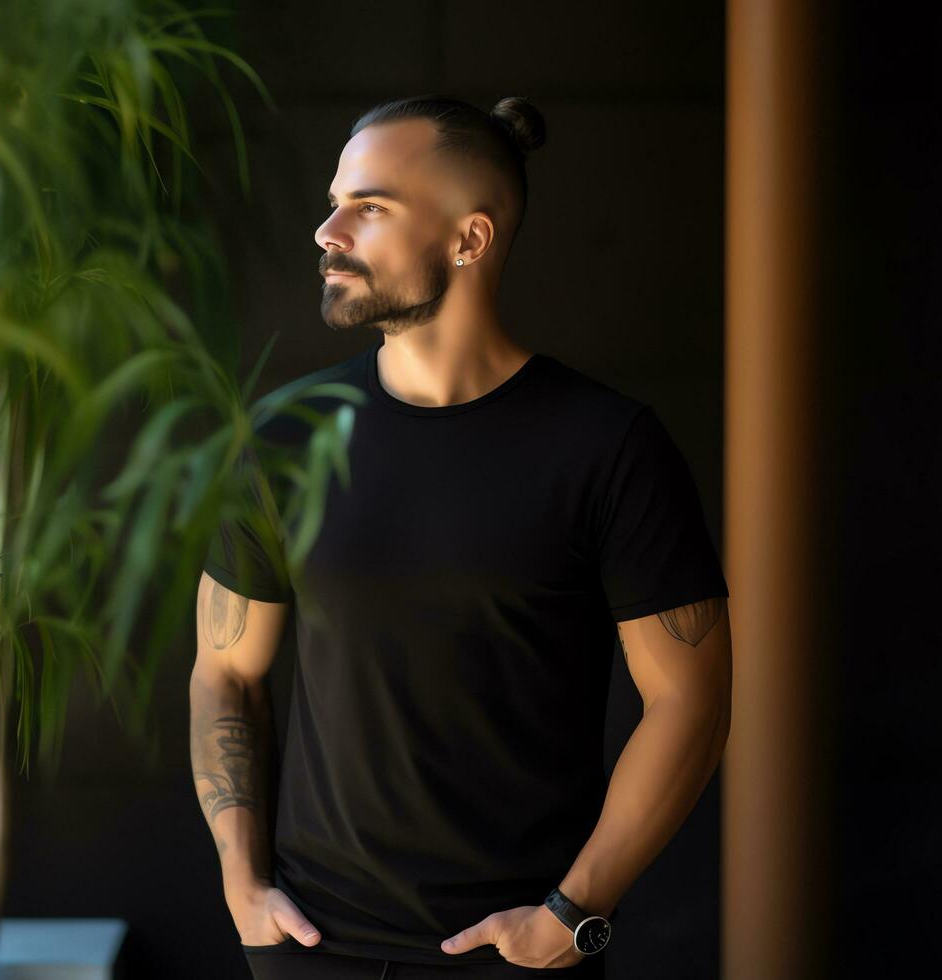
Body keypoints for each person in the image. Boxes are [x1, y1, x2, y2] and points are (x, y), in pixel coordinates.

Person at [189, 94, 732, 979]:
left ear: (469, 240)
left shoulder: (606, 447)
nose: (327, 231)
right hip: (308, 946)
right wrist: (241, 886)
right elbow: (226, 669)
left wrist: (573, 913)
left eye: (368, 207)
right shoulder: (283, 438)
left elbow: (690, 701)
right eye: (334, 203)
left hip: (514, 953)